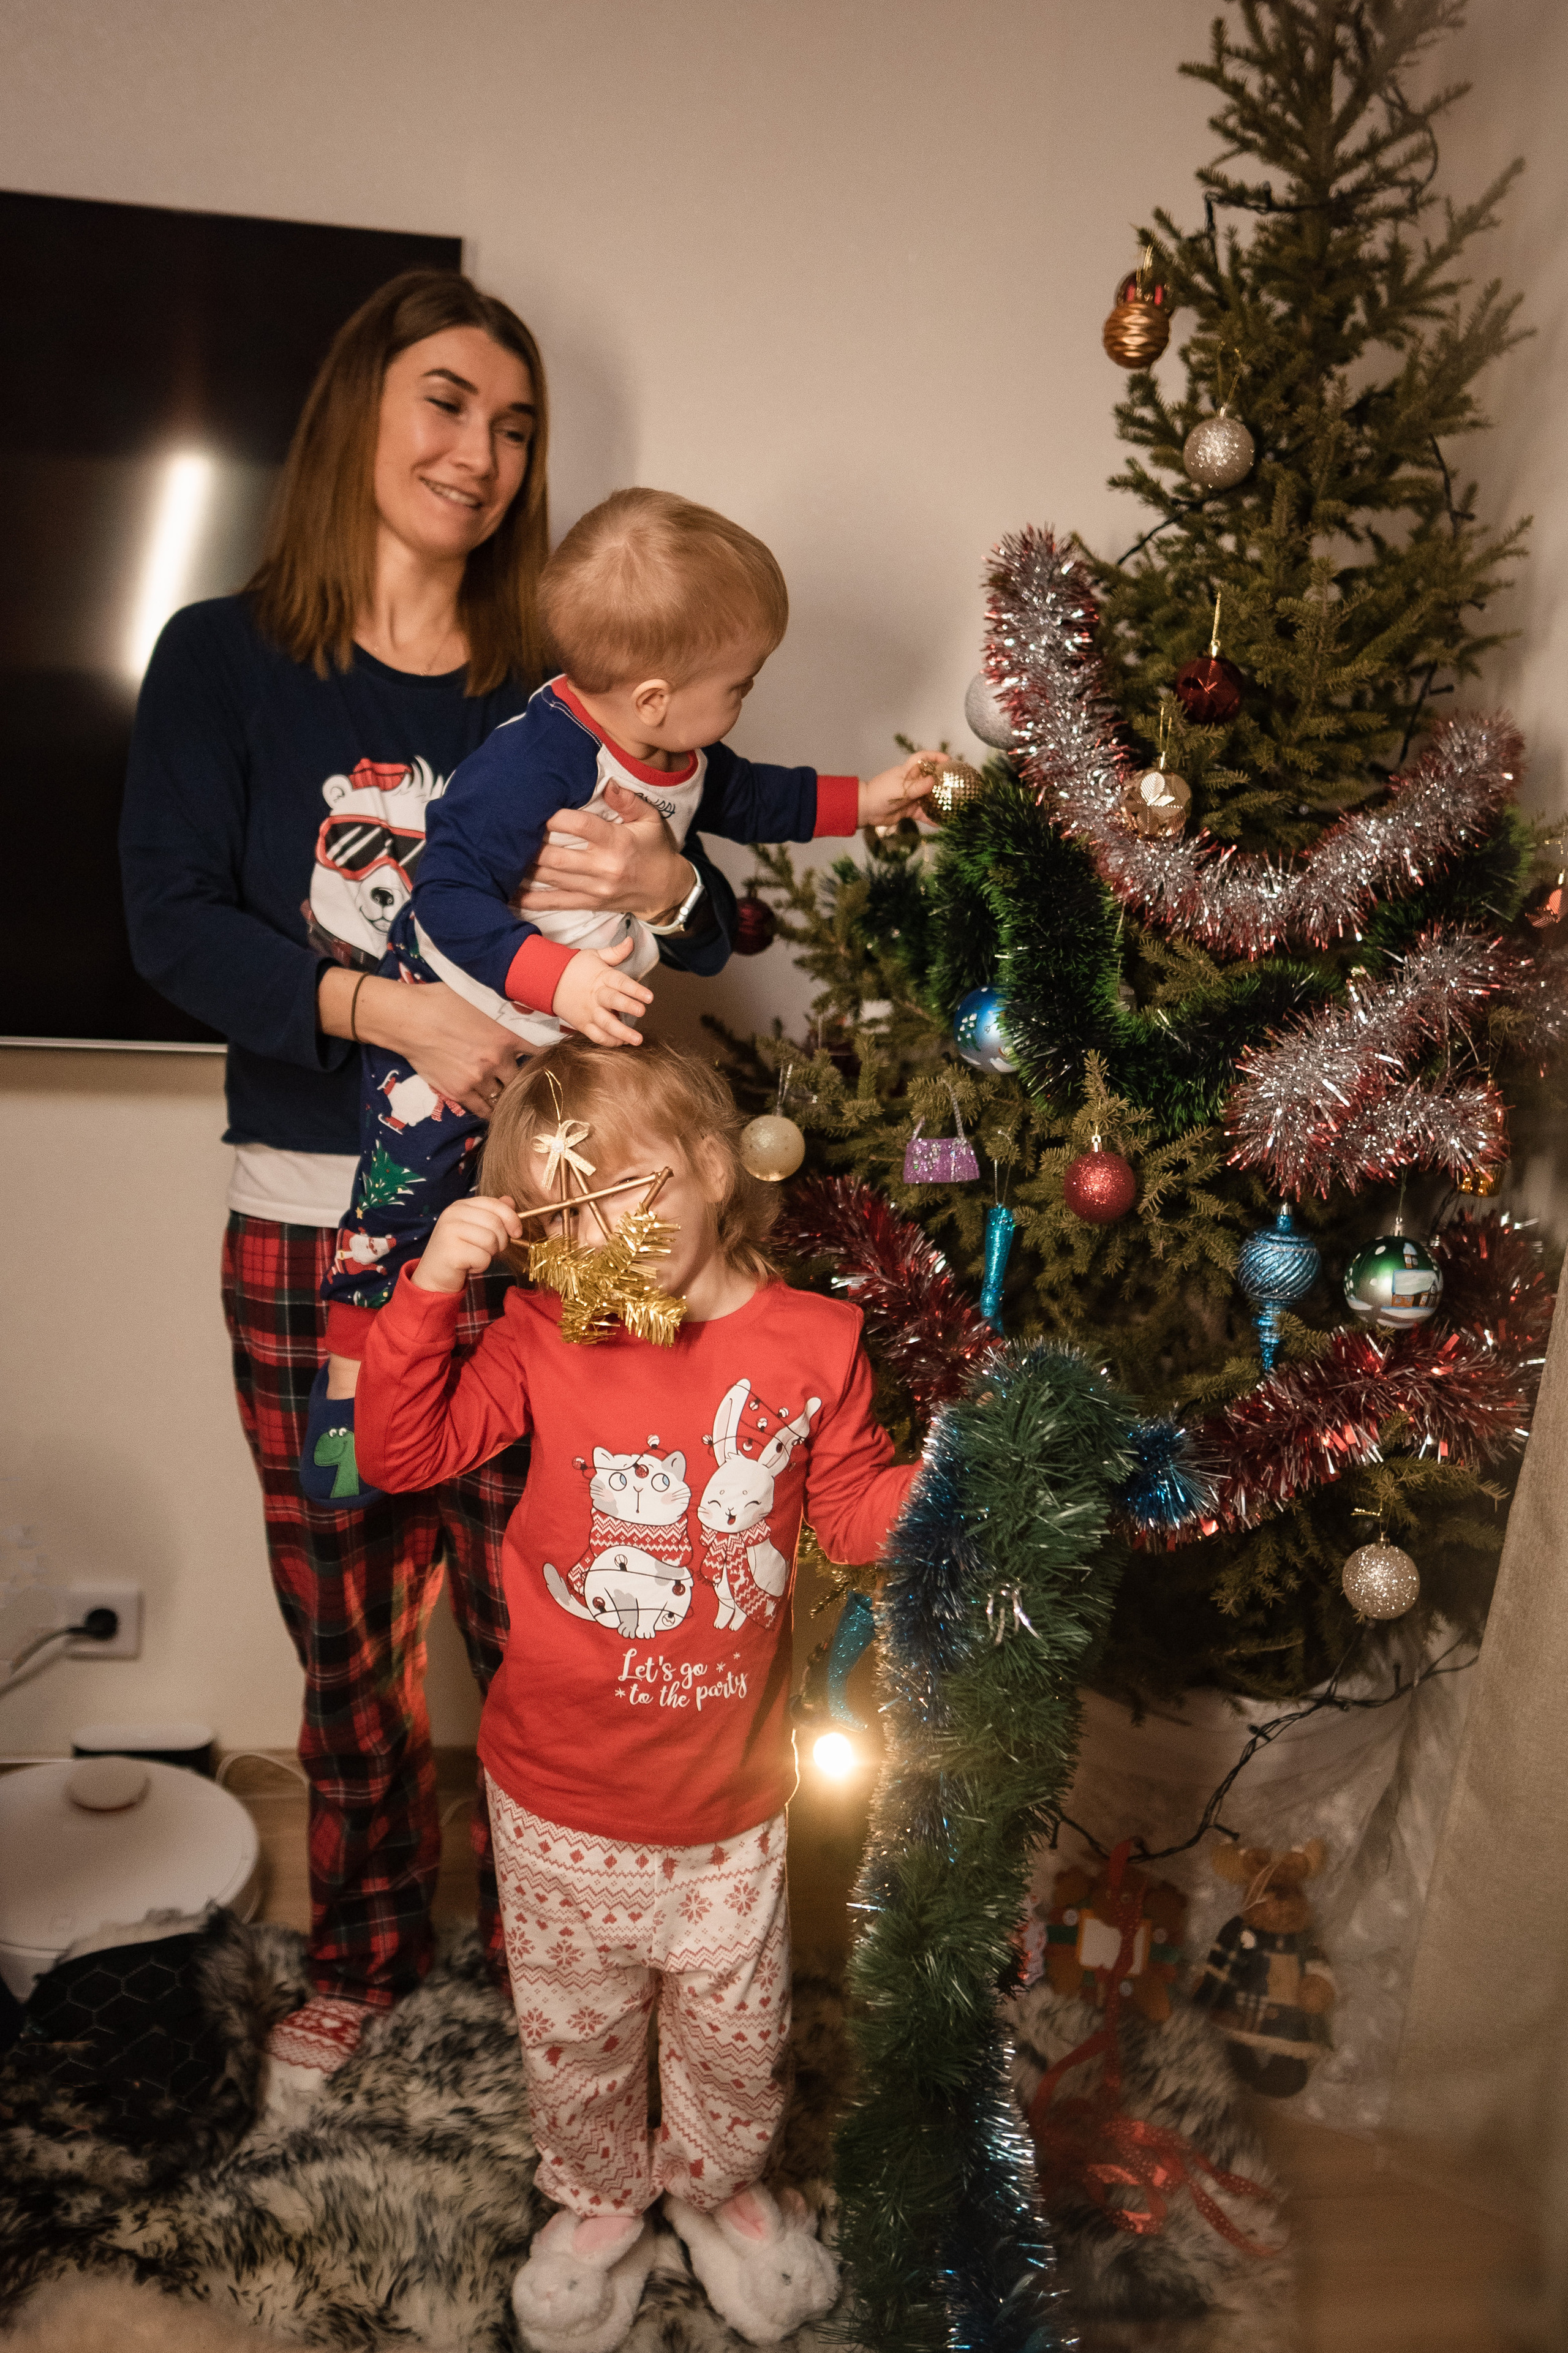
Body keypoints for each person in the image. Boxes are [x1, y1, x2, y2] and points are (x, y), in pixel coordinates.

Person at [119, 271, 741, 2113]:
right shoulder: (222, 661)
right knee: (349, 1632)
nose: (484, 453)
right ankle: (368, 1955)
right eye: (450, 404)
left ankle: (567, 1953)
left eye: (519, 425)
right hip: (312, 1224)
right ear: (361, 418)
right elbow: (172, 925)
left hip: (558, 1237)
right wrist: (391, 1005)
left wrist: (664, 875)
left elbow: (721, 896)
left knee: (550, 1612)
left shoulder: (556, 693)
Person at [355, 1040, 922, 2352]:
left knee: (736, 2044)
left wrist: (972, 1485)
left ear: (717, 1169)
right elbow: (399, 1449)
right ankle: (601, 2201)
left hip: (728, 1804)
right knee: (578, 2038)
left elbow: (850, 1511)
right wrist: (437, 1281)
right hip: (553, 1796)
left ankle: (721, 2190)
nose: (618, 1230)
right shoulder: (549, 1326)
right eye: (577, 1210)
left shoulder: (814, 1340)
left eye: (644, 1186)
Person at [304, 486, 938, 1509]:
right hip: (453, 1000)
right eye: (738, 685)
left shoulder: (674, 752)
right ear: (651, 696)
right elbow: (447, 898)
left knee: (563, 1209)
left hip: (554, 1037)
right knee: (403, 1197)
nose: (742, 703)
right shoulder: (530, 764)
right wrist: (564, 975)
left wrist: (868, 800)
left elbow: (756, 795)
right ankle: (347, 1380)